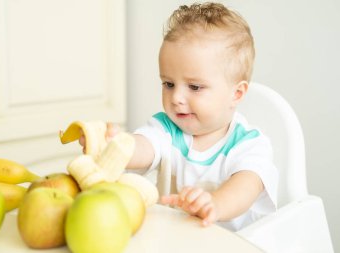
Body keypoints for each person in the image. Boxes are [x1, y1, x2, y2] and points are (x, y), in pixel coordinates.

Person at [81, 2, 278, 231]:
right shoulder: (166, 129)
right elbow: (144, 147)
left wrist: (215, 203)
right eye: (169, 84)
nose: (176, 98)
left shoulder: (249, 145)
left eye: (194, 87)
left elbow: (246, 185)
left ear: (236, 94)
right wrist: (115, 146)